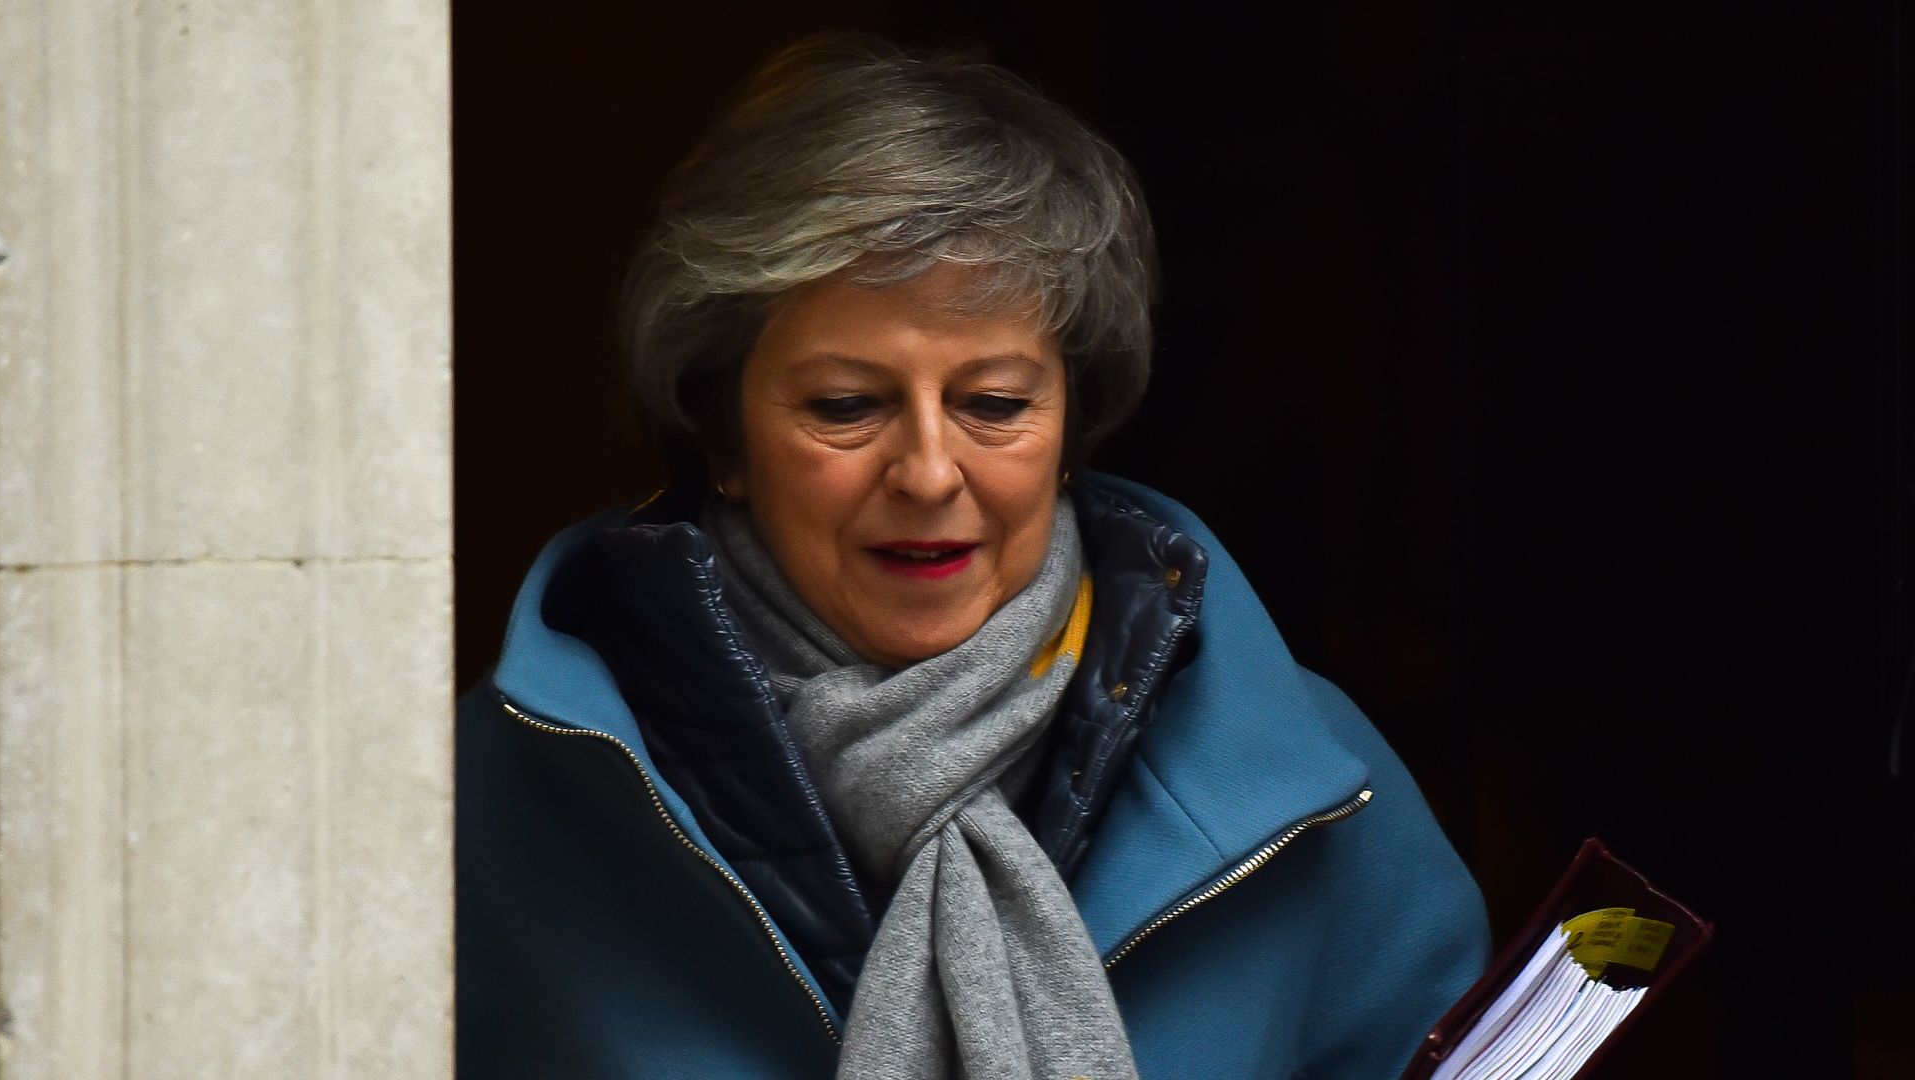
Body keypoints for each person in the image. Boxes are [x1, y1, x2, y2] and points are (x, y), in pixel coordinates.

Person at [457, 33, 1489, 1080]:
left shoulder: (1311, 771)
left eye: (993, 404)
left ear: (1072, 425)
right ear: (722, 438)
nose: (930, 472)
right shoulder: (511, 786)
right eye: (846, 407)